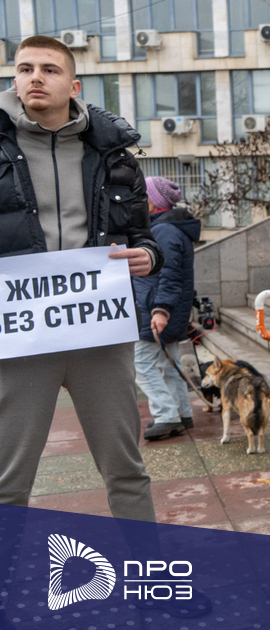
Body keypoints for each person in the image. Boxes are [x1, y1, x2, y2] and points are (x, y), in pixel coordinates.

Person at [0, 36, 163, 521]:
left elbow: (144, 235)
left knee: (127, 471)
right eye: (25, 68)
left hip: (100, 334)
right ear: (14, 80)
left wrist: (148, 257)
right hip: (22, 337)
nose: (35, 77)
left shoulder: (115, 155)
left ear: (73, 86)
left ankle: (146, 568)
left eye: (49, 69)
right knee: (8, 482)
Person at [135, 177, 202, 441]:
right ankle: (182, 413)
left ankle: (166, 415)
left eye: (144, 196)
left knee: (141, 363)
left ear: (154, 201)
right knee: (168, 363)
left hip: (157, 309)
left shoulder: (163, 230)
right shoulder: (170, 227)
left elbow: (170, 275)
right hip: (168, 309)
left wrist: (160, 309)